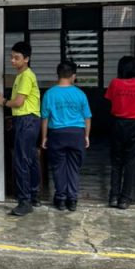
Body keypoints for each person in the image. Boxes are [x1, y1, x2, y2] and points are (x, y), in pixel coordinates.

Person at [0, 41, 41, 216]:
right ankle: (33, 195)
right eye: (11, 57)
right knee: (30, 159)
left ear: (26, 59)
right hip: (28, 120)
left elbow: (19, 102)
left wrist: (3, 102)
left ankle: (24, 201)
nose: (13, 61)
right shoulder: (22, 76)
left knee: (21, 161)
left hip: (26, 121)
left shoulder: (26, 76)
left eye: (17, 58)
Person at [41, 60, 92, 212]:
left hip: (57, 134)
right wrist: (86, 136)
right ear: (73, 76)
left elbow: (45, 118)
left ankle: (61, 199)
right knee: (73, 167)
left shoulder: (50, 94)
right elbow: (87, 118)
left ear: (58, 75)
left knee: (59, 167)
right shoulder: (80, 94)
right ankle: (72, 200)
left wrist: (44, 137)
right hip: (76, 134)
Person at [105, 55, 135, 209]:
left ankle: (113, 197)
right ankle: (124, 199)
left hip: (118, 123)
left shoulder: (115, 83)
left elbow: (110, 100)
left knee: (116, 161)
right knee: (131, 162)